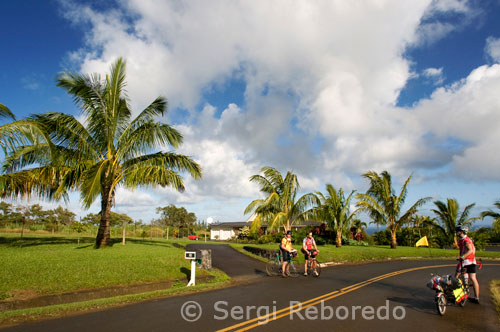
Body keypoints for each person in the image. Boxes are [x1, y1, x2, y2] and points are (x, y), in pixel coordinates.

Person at [455, 225, 480, 304]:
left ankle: (457, 295)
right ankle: (476, 298)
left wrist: (463, 257)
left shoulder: (465, 240)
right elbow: (474, 249)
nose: (456, 232)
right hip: (472, 261)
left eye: (458, 231)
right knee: (473, 278)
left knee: (456, 277)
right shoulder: (467, 239)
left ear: (462, 232)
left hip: (465, 261)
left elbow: (470, 250)